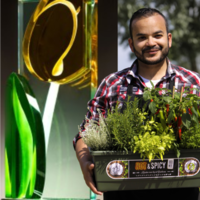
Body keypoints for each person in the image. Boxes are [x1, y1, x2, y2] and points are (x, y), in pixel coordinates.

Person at [73, 8, 200, 200]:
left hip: (181, 190)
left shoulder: (193, 83)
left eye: (158, 35)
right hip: (123, 191)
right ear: (131, 44)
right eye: (142, 38)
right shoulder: (112, 84)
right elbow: (86, 132)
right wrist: (85, 163)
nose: (151, 43)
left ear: (169, 39)